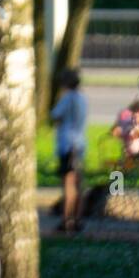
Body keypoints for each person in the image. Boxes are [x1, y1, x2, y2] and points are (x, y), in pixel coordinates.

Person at [51, 68, 87, 233]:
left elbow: (55, 115)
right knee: (78, 183)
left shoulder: (67, 99)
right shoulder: (82, 98)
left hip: (68, 144)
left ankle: (66, 219)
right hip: (80, 142)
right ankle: (78, 218)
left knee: (68, 183)